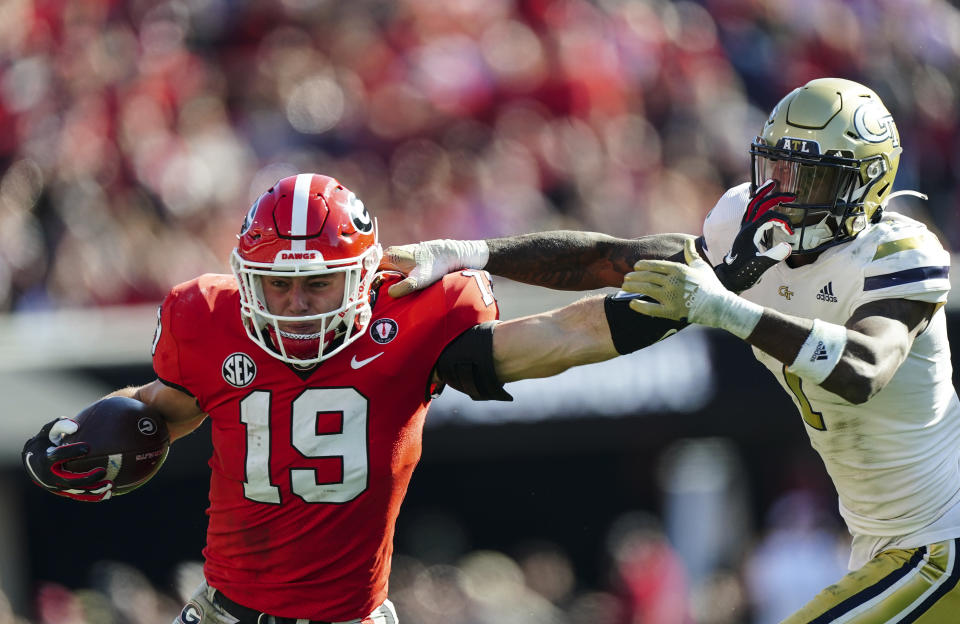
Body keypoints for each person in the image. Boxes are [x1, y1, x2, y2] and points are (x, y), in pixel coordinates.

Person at [383, 79, 960, 621]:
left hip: (941, 537)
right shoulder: (745, 224)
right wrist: (472, 252)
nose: (785, 193)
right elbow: (609, 260)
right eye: (780, 168)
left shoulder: (899, 252)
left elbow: (864, 368)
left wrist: (728, 309)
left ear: (866, 186)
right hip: (883, 539)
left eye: (811, 178)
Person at [21, 172, 691, 624]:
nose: (294, 304)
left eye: (316, 284)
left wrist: (670, 306)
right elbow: (161, 408)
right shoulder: (206, 320)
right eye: (276, 286)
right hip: (227, 611)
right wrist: (73, 439)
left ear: (364, 274)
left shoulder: (416, 320)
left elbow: (560, 336)